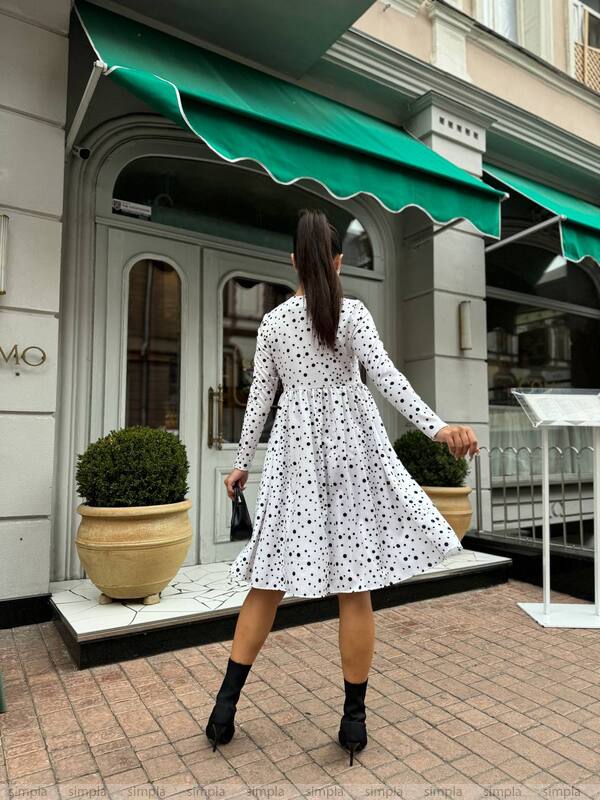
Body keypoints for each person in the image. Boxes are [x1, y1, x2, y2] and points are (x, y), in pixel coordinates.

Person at [205, 208, 479, 765]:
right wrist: (437, 427)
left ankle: (224, 709)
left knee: (267, 580)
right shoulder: (352, 314)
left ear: (293, 263)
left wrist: (240, 462)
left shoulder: (274, 323)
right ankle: (353, 722)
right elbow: (387, 380)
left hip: (294, 459)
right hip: (353, 453)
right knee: (355, 587)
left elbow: (259, 400)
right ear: (335, 261)